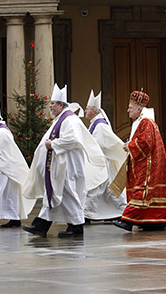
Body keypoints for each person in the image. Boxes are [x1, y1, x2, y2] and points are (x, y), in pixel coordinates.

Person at [23, 84, 107, 238]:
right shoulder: (62, 119)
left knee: (68, 195)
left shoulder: (70, 120)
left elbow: (73, 139)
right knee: (57, 194)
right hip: (61, 165)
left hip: (69, 167)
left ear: (61, 105)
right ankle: (40, 226)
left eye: (53, 104)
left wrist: (53, 144)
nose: (50, 107)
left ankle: (75, 229)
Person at [113, 90, 166, 232]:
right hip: (144, 161)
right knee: (147, 192)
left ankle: (127, 220)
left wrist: (130, 145)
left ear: (139, 109)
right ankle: (153, 221)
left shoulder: (146, 121)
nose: (128, 111)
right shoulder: (142, 121)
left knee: (143, 190)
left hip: (147, 164)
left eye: (130, 108)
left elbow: (146, 143)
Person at [84, 90, 127, 222]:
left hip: (102, 164)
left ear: (94, 111)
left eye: (87, 109)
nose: (85, 111)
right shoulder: (95, 124)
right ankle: (118, 212)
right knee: (107, 190)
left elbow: (103, 144)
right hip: (97, 163)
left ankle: (86, 214)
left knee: (96, 189)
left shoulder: (100, 125)